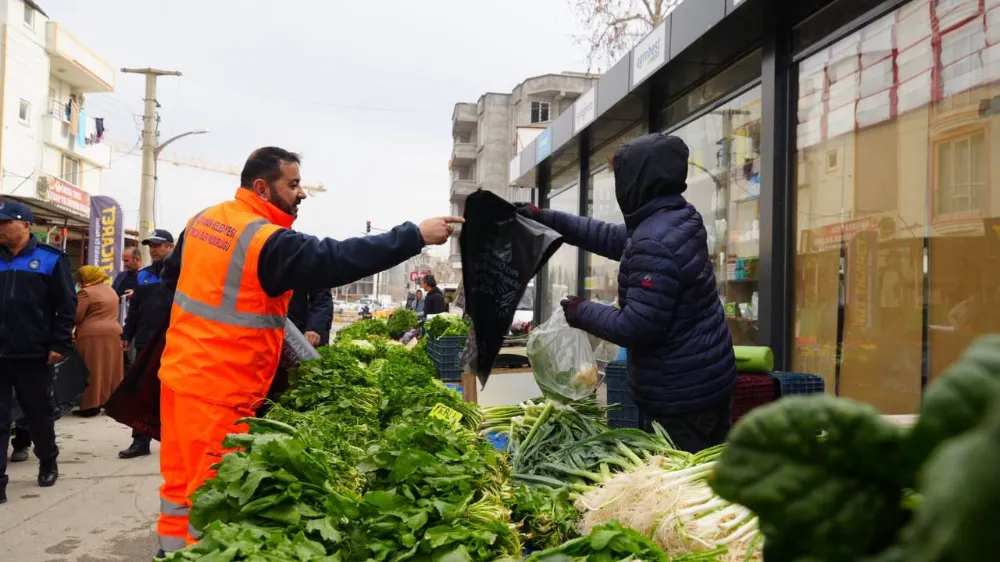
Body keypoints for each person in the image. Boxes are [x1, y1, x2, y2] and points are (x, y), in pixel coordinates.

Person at [152, 147, 462, 555]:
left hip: (179, 378)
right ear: (262, 188)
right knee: (213, 504)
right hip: (220, 390)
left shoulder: (203, 220)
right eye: (293, 185)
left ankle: (168, 551)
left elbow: (173, 283)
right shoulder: (262, 239)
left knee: (178, 489)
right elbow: (336, 259)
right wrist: (414, 236)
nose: (301, 194)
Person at [515, 133, 737, 453]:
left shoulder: (654, 238)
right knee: (712, 475)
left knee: (683, 485)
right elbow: (609, 237)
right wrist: (546, 218)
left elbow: (639, 326)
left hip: (681, 395)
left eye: (621, 176)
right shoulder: (676, 219)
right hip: (706, 379)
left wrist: (581, 312)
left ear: (640, 180)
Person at [0, 200, 75, 504]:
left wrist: (59, 345)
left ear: (26, 225)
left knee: (38, 415)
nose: (1, 229)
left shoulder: (50, 259)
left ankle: (48, 460)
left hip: (34, 354)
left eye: (6, 223)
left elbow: (67, 305)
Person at [118, 229, 174, 460]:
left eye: (158, 245)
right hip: (145, 342)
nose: (153, 249)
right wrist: (127, 334)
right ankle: (140, 441)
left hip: (175, 342)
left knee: (173, 394)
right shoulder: (143, 276)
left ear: (171, 247)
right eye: (150, 245)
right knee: (142, 393)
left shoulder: (183, 274)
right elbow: (135, 310)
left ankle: (176, 442)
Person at [73, 266, 125, 417]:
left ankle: (90, 406)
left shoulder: (86, 292)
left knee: (92, 369)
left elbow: (77, 316)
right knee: (111, 369)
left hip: (93, 334)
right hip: (114, 332)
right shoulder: (111, 290)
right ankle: (112, 403)